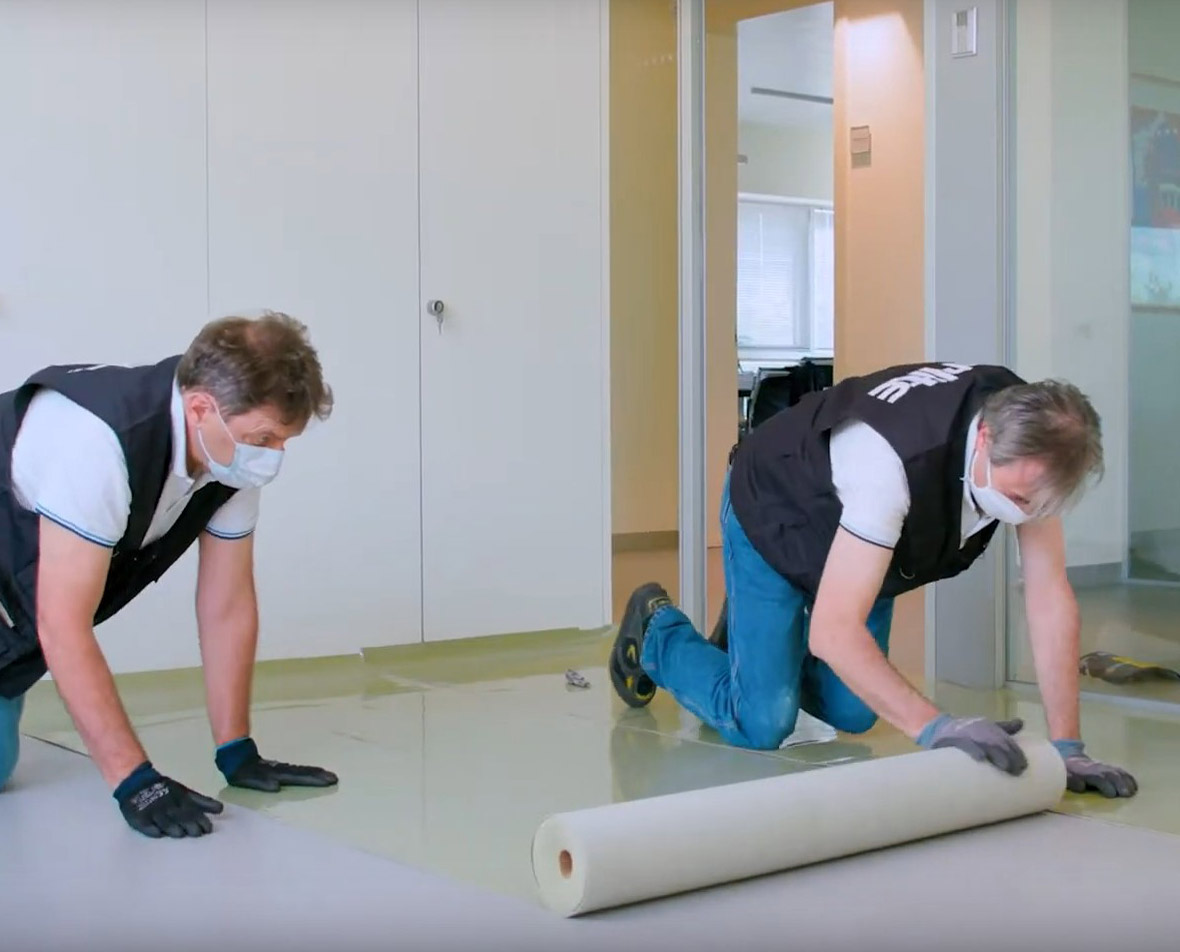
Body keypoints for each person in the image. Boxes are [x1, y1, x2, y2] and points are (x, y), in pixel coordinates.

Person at [610, 361, 1137, 799]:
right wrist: (937, 728)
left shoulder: (1038, 442)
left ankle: (755, 646)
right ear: (985, 437)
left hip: (865, 545)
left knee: (855, 710)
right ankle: (658, 631)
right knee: (763, 720)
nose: (1025, 514)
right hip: (777, 507)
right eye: (1018, 500)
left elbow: (1048, 598)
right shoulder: (890, 461)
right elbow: (833, 634)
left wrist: (1068, 748)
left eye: (1039, 505)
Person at [0, 312, 341, 837]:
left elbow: (226, 605)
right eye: (265, 437)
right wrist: (135, 780)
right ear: (201, 407)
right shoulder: (99, 443)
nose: (273, 456)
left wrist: (236, 750)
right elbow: (62, 625)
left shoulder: (228, 458)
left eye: (283, 442)